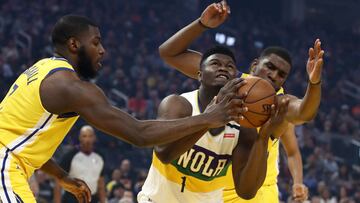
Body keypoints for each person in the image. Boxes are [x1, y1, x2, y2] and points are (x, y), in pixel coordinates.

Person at [0, 14, 245, 203]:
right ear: (74, 44)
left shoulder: (42, 68)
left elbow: (22, 140)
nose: (102, 50)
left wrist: (62, 176)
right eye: (96, 42)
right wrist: (207, 118)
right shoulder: (71, 86)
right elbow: (139, 134)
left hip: (13, 165)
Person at [158, 1, 323, 202]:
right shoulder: (226, 77)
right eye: (269, 67)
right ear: (255, 65)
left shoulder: (279, 103)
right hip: (217, 187)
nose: (273, 75)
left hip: (259, 188)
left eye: (280, 75)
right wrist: (201, 24)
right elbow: (169, 53)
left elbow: (305, 113)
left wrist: (314, 83)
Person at [138, 45, 290, 203]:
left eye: (230, 66)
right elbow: (164, 154)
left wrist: (263, 138)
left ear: (238, 79)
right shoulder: (179, 104)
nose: (223, 68)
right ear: (200, 75)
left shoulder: (243, 129)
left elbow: (247, 192)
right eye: (215, 64)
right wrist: (208, 120)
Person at [53, 125, 106, 203]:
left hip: (92, 198)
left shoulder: (100, 157)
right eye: (84, 136)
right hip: (71, 199)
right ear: (80, 138)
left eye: (90, 136)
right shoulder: (69, 156)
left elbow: (101, 184)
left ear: (94, 138)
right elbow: (58, 184)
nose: (87, 139)